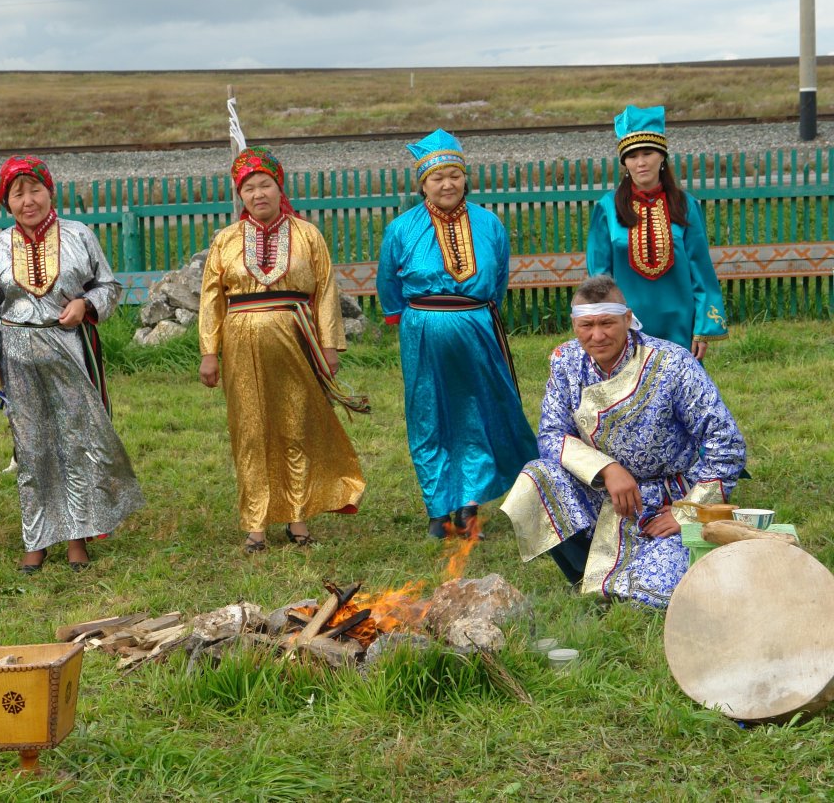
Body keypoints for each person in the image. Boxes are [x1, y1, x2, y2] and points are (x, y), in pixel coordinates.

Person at [499, 274, 747, 608]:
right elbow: (551, 434)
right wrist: (607, 469)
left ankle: (623, 579)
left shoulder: (672, 363)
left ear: (627, 320)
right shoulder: (565, 361)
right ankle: (584, 573)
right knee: (536, 478)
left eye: (607, 323)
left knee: (648, 598)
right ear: (574, 324)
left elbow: (726, 442)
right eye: (586, 325)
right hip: (602, 490)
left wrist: (689, 512)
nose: (597, 335)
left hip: (666, 498)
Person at [0, 155, 143, 573]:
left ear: (51, 192)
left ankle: (77, 538)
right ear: (6, 202)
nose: (28, 200)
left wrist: (86, 303)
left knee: (76, 441)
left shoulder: (78, 235)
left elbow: (109, 285)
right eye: (18, 194)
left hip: (69, 347)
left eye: (36, 190)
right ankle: (37, 538)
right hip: (16, 355)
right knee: (31, 448)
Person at [198, 146, 366, 553]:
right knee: (251, 430)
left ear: (279, 188)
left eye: (266, 185)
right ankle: (255, 524)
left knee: (297, 425)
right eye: (249, 188)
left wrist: (329, 345)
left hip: (297, 339)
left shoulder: (308, 235)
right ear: (240, 196)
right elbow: (211, 298)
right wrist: (209, 351)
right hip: (240, 345)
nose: (258, 194)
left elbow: (325, 291)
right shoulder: (227, 240)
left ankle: (297, 517)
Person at [378, 129, 537, 539]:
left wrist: (478, 315)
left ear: (466, 177)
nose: (447, 184)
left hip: (477, 327)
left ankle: (468, 507)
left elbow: (498, 279)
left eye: (454, 175)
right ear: (422, 184)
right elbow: (388, 288)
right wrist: (410, 319)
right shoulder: (402, 229)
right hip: (423, 331)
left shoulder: (489, 224)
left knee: (476, 414)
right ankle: (437, 510)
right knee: (429, 415)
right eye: (436, 178)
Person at [587, 104, 728, 359]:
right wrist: (605, 323)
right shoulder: (607, 208)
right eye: (632, 156)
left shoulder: (686, 206)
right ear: (624, 162)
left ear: (661, 156)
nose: (640, 163)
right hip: (628, 325)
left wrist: (703, 328)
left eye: (648, 153)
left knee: (678, 392)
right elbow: (599, 277)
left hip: (679, 324)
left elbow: (701, 270)